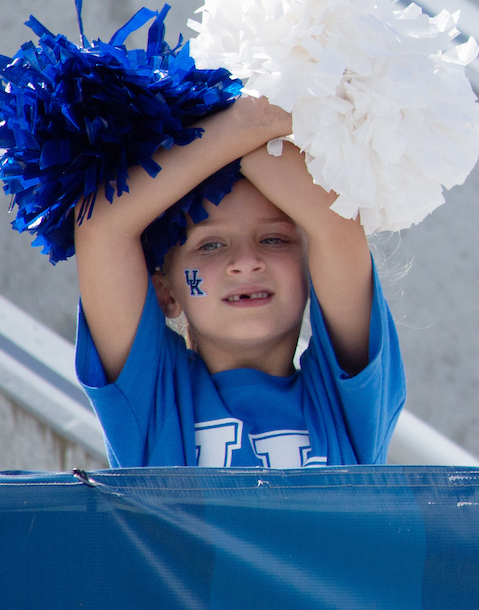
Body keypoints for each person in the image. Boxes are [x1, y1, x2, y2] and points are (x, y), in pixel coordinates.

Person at [72, 95, 406, 468]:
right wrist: (246, 124)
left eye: (274, 240)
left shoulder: (350, 405)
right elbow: (101, 228)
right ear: (165, 293)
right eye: (210, 245)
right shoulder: (153, 400)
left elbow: (337, 228)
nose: (246, 263)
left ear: (315, 273)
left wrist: (246, 128)